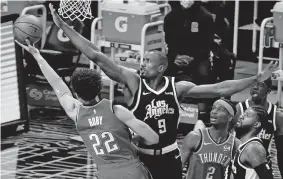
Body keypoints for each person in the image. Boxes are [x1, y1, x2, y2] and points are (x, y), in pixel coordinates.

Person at [48, 3, 278, 179]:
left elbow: (220, 88)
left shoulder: (177, 88)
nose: (141, 63)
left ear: (160, 66)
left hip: (169, 157)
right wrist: (64, 27)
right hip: (141, 157)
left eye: (147, 61)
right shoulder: (133, 81)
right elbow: (95, 54)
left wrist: (256, 78)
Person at [16, 39, 158, 179]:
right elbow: (153, 138)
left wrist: (37, 55)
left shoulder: (75, 112)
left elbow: (56, 82)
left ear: (76, 94)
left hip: (105, 174)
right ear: (99, 89)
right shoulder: (117, 110)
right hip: (131, 170)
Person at [181, 99, 241, 179]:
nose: (214, 112)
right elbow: (176, 169)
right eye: (213, 108)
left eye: (220, 109)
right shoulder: (195, 137)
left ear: (229, 117)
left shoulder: (235, 144)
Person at [234, 78, 283, 177]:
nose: (255, 87)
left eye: (260, 85)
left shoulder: (277, 115)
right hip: (240, 163)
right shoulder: (239, 109)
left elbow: (281, 151)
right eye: (253, 84)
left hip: (261, 165)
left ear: (269, 90)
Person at [229, 106, 274, 179]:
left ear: (256, 124)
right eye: (243, 114)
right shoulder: (244, 145)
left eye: (247, 115)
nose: (241, 117)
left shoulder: (253, 148)